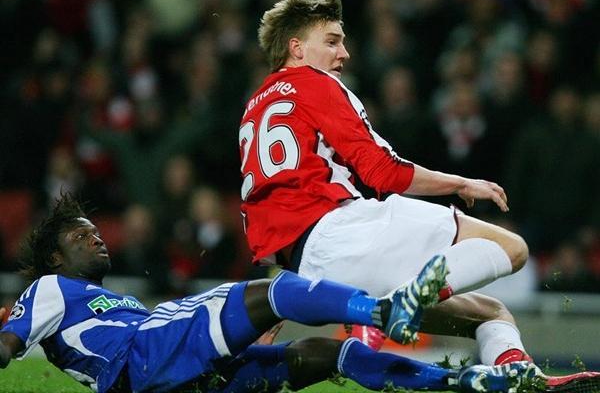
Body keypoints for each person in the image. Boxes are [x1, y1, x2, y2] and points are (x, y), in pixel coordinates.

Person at [238, 0, 600, 391]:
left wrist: (278, 302)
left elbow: (267, 220)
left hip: (313, 270)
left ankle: (519, 376)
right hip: (346, 232)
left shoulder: (253, 109)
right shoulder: (317, 83)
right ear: (296, 47)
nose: (344, 52)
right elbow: (383, 171)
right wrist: (460, 183)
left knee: (491, 312)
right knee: (512, 248)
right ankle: (399, 301)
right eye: (332, 41)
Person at [0, 194, 537, 393]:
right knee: (273, 292)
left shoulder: (109, 302)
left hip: (174, 375)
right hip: (144, 362)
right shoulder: (49, 288)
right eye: (80, 236)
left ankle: (463, 382)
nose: (96, 238)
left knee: (325, 355)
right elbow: (6, 346)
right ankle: (384, 310)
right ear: (55, 258)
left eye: (96, 230)